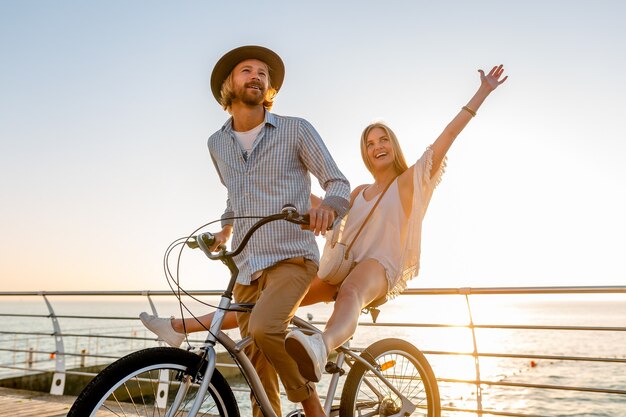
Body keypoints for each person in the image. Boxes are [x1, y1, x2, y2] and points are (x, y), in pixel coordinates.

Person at [143, 62, 507, 413]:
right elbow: (320, 207)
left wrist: (480, 95)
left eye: (383, 140)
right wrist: (291, 198)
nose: (376, 146)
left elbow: (446, 137)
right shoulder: (359, 192)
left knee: (349, 293)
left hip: (378, 267)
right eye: (369, 143)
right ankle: (180, 327)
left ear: (394, 147)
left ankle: (321, 347)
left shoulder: (410, 183)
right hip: (340, 267)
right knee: (257, 311)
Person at [141, 45, 350, 417]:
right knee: (255, 357)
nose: (256, 76)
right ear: (228, 86)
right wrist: (224, 232)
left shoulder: (295, 129)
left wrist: (330, 210)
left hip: (292, 256)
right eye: (246, 70)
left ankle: (313, 410)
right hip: (246, 264)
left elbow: (337, 182)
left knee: (269, 330)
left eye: (262, 73)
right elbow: (236, 199)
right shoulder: (217, 143)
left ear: (268, 88)